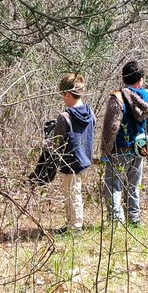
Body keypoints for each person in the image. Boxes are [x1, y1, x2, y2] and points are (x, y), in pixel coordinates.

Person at [100, 60, 148, 225]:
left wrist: (105, 150)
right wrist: (143, 137)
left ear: (124, 78)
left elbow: (112, 127)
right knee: (133, 186)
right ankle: (134, 219)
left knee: (113, 186)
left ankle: (116, 222)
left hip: (119, 149)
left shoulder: (117, 98)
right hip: (139, 148)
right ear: (140, 79)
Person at [49, 73, 95, 232]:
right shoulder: (90, 113)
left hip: (69, 163)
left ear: (68, 94)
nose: (63, 98)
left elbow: (56, 142)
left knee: (72, 195)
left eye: (63, 94)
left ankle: (75, 228)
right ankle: (70, 225)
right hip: (84, 161)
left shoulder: (65, 116)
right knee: (72, 193)